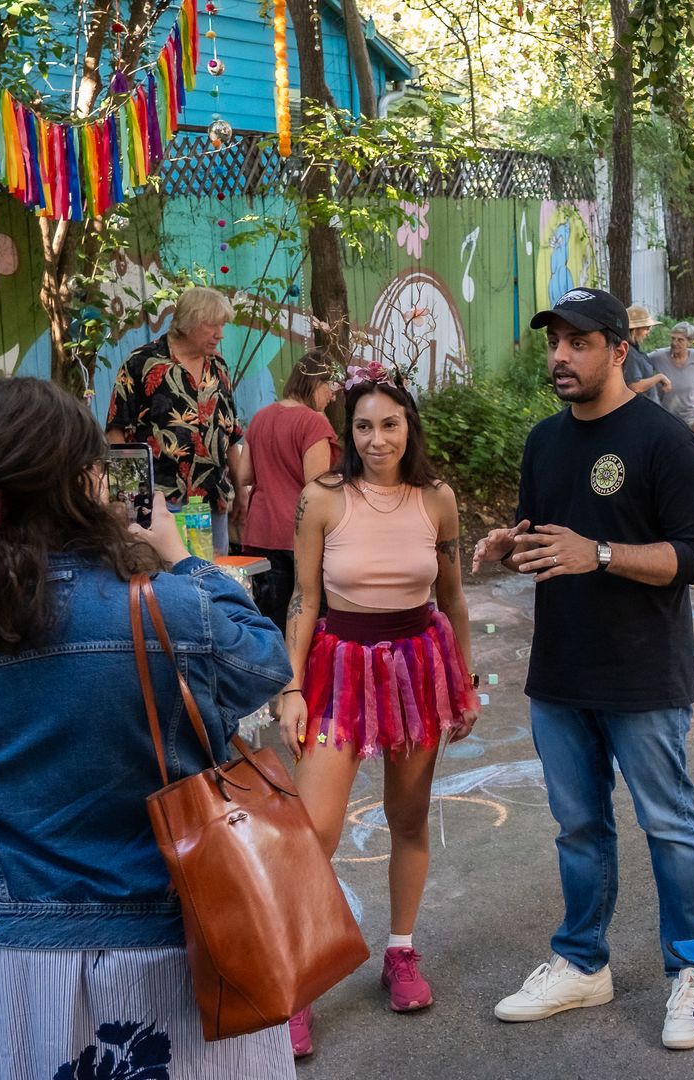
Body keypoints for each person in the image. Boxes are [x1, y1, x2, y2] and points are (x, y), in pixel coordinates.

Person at [0, 377, 295, 1080]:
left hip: (11, 951)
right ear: (86, 480)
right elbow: (266, 659)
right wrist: (179, 554)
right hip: (173, 947)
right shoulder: (165, 608)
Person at [471, 287, 694, 1052]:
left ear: (619, 349)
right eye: (555, 343)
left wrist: (601, 554)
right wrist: (508, 551)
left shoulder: (663, 442)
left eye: (578, 343)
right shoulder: (544, 442)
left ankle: (691, 972)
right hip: (561, 675)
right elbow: (548, 541)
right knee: (579, 829)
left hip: (643, 677)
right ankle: (583, 963)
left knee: (668, 825)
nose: (560, 357)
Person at [276, 363, 480, 1057]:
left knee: (409, 818)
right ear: (348, 430)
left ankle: (400, 952)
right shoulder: (321, 499)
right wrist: (290, 687)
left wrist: (467, 680)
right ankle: (297, 987)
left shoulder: (438, 500)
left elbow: (452, 600)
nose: (376, 437)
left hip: (418, 666)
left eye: (389, 423)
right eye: (363, 425)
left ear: (408, 426)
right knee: (315, 833)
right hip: (337, 668)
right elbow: (303, 599)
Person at [106, 286, 248, 554]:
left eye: (222, 325)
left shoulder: (218, 366)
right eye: (213, 326)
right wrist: (124, 500)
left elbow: (230, 433)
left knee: (211, 578)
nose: (220, 334)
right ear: (189, 322)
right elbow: (116, 433)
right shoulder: (141, 363)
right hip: (159, 502)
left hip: (210, 500)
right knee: (163, 578)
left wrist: (240, 491)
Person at [240, 352, 340, 629]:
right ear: (316, 383)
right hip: (299, 535)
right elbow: (317, 484)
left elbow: (244, 474)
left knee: (268, 624)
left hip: (259, 533)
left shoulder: (260, 417)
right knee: (308, 625)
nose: (332, 397)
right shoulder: (314, 422)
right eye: (329, 388)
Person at [624, 305, 671, 403]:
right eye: (646, 328)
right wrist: (659, 377)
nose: (648, 332)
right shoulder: (629, 353)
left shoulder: (634, 350)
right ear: (634, 329)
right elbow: (635, 387)